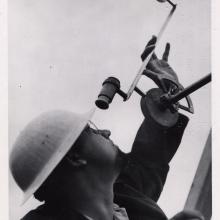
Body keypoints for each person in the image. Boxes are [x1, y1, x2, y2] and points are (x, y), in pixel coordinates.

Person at [10, 37, 204, 220]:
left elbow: (149, 160)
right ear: (75, 158)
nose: (106, 132)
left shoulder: (125, 198)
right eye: (92, 130)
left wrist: (171, 93)